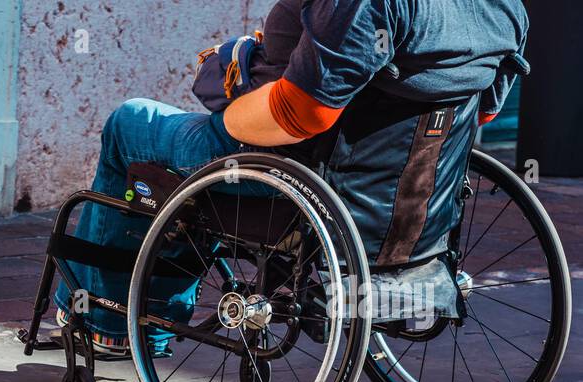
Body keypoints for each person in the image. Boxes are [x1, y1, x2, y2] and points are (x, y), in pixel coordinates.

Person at [57, 0, 529, 353]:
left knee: (131, 122)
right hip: (400, 193)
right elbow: (484, 111)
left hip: (288, 163)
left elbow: (304, 113)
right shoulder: (502, 7)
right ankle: (116, 303)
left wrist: (229, 115)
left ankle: (106, 324)